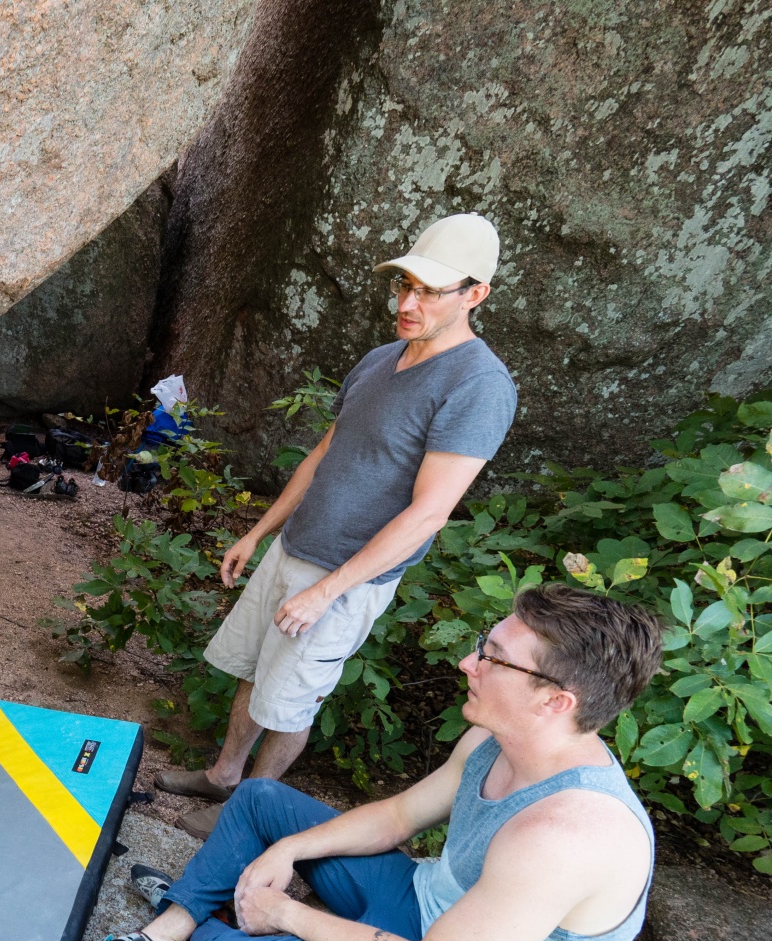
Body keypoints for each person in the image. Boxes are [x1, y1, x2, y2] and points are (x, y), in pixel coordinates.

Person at [77, 584, 663, 941]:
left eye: (493, 657)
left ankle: (209, 923)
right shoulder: (494, 736)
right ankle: (168, 930)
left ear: (556, 701)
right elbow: (399, 816)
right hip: (419, 901)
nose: (468, 662)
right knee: (260, 799)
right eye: (483, 644)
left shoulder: (567, 837)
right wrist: (289, 847)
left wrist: (286, 915)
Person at [157, 212, 519, 841]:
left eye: (430, 292)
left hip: (348, 576)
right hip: (295, 549)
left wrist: (327, 590)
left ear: (475, 295)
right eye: (404, 285)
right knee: (253, 672)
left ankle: (248, 812)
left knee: (291, 698)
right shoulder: (383, 358)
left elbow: (430, 513)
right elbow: (324, 454)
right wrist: (260, 532)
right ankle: (222, 776)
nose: (408, 303)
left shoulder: (479, 385)